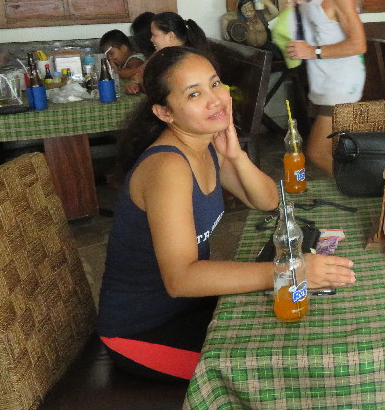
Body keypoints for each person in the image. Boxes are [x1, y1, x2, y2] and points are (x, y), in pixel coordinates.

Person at [98, 46, 355, 381]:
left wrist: (235, 155)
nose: (215, 100)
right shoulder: (167, 167)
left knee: (299, 331)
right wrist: (290, 271)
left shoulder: (205, 144)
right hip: (144, 332)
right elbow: (181, 279)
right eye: (194, 94)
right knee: (287, 369)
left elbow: (268, 200)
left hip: (192, 306)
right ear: (164, 112)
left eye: (215, 84)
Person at [285, 0, 366, 176]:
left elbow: (359, 43)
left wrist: (313, 51)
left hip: (341, 83)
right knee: (337, 153)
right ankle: (360, 188)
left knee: (317, 152)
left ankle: (364, 191)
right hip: (322, 81)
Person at [126, 12, 209, 95]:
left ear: (170, 36)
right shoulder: (160, 54)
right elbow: (140, 74)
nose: (151, 39)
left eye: (154, 35)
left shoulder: (185, 61)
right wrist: (134, 82)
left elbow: (160, 91)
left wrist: (141, 83)